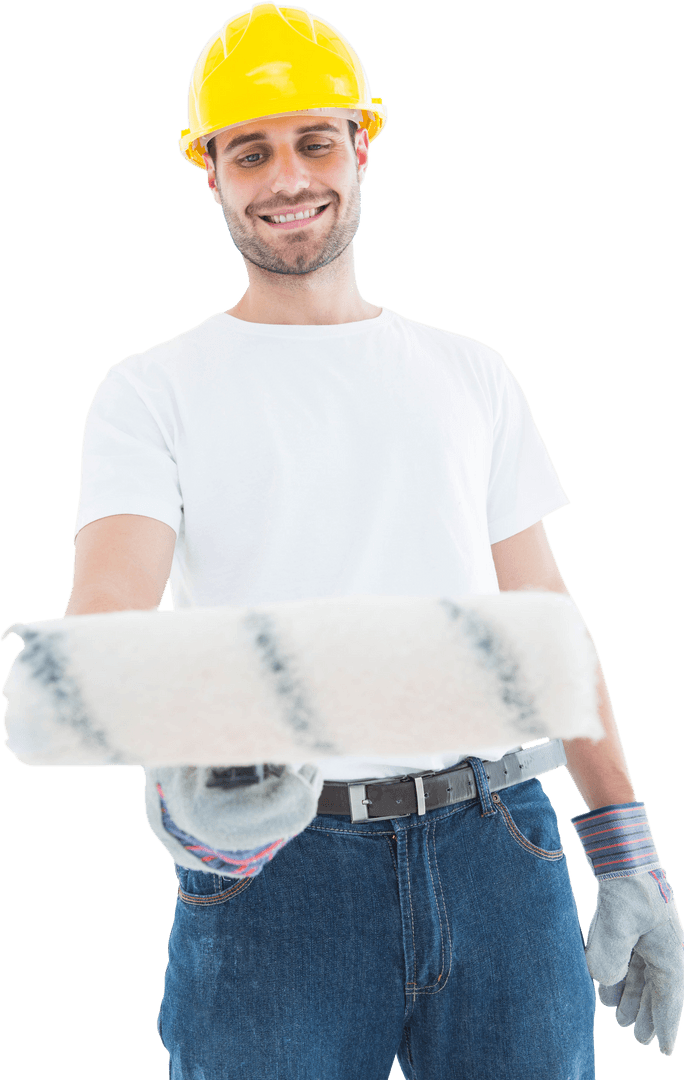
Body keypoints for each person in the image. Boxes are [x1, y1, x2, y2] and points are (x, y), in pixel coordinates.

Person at [63, 4, 682, 1077]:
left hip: (501, 845)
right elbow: (109, 613)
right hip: (272, 870)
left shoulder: (469, 373)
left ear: (362, 146)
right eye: (250, 150)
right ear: (211, 172)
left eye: (314, 140)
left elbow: (547, 620)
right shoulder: (150, 392)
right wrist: (176, 764)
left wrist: (625, 843)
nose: (287, 177)